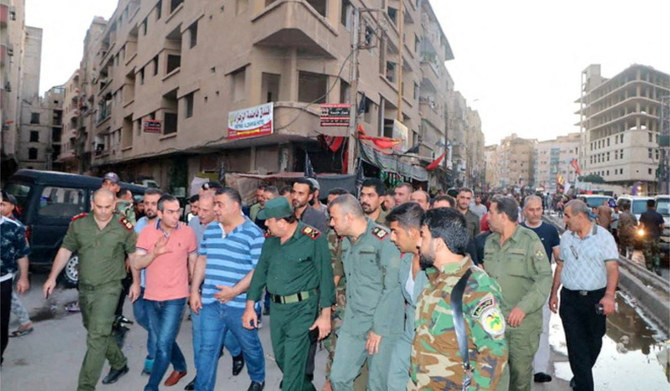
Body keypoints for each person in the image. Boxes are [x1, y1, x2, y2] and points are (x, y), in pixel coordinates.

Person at [43, 189, 138, 391]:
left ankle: (85, 386)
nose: (103, 211)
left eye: (107, 207)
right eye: (99, 207)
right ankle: (119, 363)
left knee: (96, 336)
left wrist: (136, 282)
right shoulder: (79, 224)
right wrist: (52, 277)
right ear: (92, 205)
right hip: (85, 287)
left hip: (110, 288)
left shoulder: (124, 227)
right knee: (95, 330)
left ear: (114, 206)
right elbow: (65, 249)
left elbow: (133, 257)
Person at [410, 207, 508, 390]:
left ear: (438, 243)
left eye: (423, 235)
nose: (418, 242)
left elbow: (494, 353)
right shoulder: (433, 280)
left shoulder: (477, 287)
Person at [243, 196, 335, 391]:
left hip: (303, 310)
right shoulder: (271, 239)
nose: (265, 223)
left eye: (269, 219)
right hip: (277, 310)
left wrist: (325, 315)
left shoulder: (313, 238)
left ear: (283, 222)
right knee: (284, 360)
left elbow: (326, 277)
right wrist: (250, 306)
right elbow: (260, 272)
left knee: (292, 368)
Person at [189, 187, 266, 391]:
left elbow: (258, 270)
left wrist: (234, 291)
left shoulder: (254, 234)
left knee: (250, 346)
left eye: (219, 204)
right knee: (207, 350)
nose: (216, 209)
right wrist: (195, 290)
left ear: (235, 206)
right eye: (214, 204)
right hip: (211, 302)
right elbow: (202, 258)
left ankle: (258, 377)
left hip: (240, 305)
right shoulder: (211, 230)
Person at [328, 194, 404, 391]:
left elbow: (392, 288)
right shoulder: (346, 242)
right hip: (354, 322)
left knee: (377, 385)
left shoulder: (384, 240)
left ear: (349, 217)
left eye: (334, 218)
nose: (331, 223)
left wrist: (378, 328)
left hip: (381, 325)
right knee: (338, 378)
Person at [549, 200, 619, 391]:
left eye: (567, 216)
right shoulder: (566, 238)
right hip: (570, 300)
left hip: (595, 299)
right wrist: (554, 293)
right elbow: (560, 266)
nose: (564, 220)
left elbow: (612, 268)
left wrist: (610, 296)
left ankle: (580, 376)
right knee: (576, 345)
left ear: (580, 217)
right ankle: (584, 385)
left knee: (595, 341)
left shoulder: (604, 237)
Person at [483, 195, 552, 391]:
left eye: (491, 212)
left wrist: (523, 307)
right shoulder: (490, 242)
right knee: (494, 377)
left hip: (522, 325)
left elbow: (544, 277)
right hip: (494, 322)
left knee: (520, 379)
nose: (488, 217)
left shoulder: (529, 240)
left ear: (503, 216)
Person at [131, 194, 196, 390]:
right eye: (170, 212)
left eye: (178, 211)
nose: (176, 216)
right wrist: (154, 253)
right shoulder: (147, 233)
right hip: (151, 296)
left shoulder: (187, 232)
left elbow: (193, 260)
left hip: (176, 298)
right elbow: (137, 262)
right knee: (163, 340)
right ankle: (181, 366)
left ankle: (151, 386)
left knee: (162, 345)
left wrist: (193, 290)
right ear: (160, 213)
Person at [184, 193, 244, 390]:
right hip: (203, 291)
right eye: (197, 209)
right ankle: (201, 377)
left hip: (226, 293)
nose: (198, 214)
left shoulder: (238, 226)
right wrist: (193, 289)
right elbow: (196, 257)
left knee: (226, 336)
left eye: (205, 210)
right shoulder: (193, 225)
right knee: (201, 339)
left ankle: (237, 351)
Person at [385, 202, 428, 390]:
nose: (391, 238)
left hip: (430, 343)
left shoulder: (435, 264)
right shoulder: (407, 260)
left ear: (412, 232)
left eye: (395, 232)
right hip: (408, 335)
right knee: (394, 383)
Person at [520, 196, 561, 384]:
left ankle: (540, 369)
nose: (535, 213)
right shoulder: (518, 230)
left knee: (542, 329)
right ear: (524, 211)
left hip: (542, 287)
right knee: (518, 329)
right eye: (531, 210)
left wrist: (554, 292)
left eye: (538, 209)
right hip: (520, 287)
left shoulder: (550, 231)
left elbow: (559, 261)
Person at [132, 188, 163, 376]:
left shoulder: (167, 225)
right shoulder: (140, 224)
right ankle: (162, 337)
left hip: (158, 285)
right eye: (146, 203)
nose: (149, 207)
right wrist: (134, 282)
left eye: (153, 203)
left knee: (152, 323)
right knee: (140, 317)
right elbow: (134, 254)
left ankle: (152, 359)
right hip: (141, 282)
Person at [1, 192, 30, 364]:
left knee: (2, 324)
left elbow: (22, 254)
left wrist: (23, 277)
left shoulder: (14, 228)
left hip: (3, 281)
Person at [639, 199, 664, 275]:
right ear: (654, 206)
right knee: (656, 252)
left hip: (647, 236)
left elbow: (641, 226)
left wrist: (638, 231)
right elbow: (663, 226)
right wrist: (659, 231)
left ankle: (649, 269)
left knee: (648, 253)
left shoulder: (644, 214)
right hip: (656, 237)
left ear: (647, 205)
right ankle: (657, 266)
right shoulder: (659, 215)